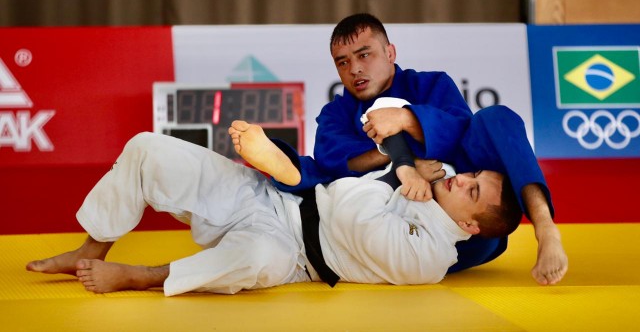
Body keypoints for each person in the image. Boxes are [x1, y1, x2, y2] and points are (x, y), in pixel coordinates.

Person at [26, 123, 520, 295]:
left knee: (256, 261)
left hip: (294, 254)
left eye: (473, 190)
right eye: (474, 174)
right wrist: (406, 175)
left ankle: (142, 276)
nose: (463, 178)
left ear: (468, 225)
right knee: (147, 148)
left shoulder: (430, 259)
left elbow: (350, 211)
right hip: (271, 196)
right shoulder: (433, 181)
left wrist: (401, 173)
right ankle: (91, 247)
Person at [270, 13, 568, 285]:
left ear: (390, 53)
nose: (355, 69)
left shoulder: (432, 84)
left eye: (364, 55)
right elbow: (332, 163)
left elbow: (462, 136)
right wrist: (401, 162)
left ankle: (545, 225)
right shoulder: (336, 112)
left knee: (496, 120)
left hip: (457, 230)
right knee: (314, 174)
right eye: (343, 62)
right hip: (382, 231)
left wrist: (407, 119)